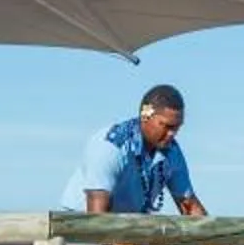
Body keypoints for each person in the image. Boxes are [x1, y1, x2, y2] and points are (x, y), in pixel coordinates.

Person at [63, 84, 208, 215]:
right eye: (167, 126)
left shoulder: (171, 151)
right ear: (145, 117)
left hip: (126, 226)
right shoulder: (111, 146)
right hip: (80, 227)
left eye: (176, 127)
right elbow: (96, 216)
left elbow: (190, 207)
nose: (172, 134)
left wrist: (213, 234)